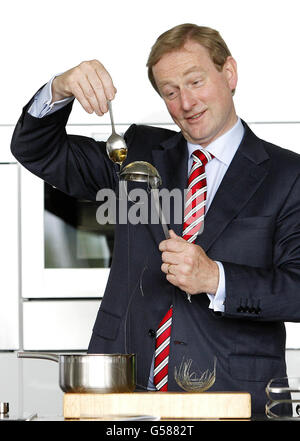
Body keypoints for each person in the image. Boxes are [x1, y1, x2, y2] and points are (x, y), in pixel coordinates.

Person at [11, 23, 300, 416]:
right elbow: (35, 149)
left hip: (231, 395)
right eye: (170, 91)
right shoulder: (137, 153)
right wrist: (59, 88)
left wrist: (216, 278)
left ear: (228, 73)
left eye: (195, 81)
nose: (186, 102)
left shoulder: (288, 174)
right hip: (123, 388)